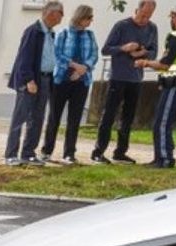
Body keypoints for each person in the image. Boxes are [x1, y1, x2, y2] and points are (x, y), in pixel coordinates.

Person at [90, 0, 158, 164]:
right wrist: (124, 48)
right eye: (143, 15)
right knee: (109, 115)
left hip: (136, 79)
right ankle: (98, 151)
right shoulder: (122, 26)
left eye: (148, 16)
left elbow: (154, 52)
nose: (144, 19)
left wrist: (143, 53)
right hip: (118, 77)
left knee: (128, 117)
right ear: (137, 10)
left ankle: (120, 152)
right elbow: (106, 49)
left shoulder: (152, 28)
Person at [4, 1, 64, 167]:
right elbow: (24, 58)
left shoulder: (51, 34)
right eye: (61, 14)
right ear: (51, 14)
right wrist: (29, 80)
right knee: (20, 118)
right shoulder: (33, 31)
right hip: (30, 81)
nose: (61, 18)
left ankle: (28, 153)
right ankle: (10, 154)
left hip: (45, 79)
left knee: (37, 118)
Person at [136, 4, 176, 168]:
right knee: (166, 122)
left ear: (174, 17)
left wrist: (145, 62)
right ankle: (162, 157)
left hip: (174, 83)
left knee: (161, 123)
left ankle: (164, 159)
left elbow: (165, 64)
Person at [42, 4, 99, 164]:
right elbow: (57, 54)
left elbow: (94, 55)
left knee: (74, 119)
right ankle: (47, 150)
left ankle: (69, 153)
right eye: (89, 18)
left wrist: (84, 68)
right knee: (54, 117)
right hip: (61, 80)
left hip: (82, 82)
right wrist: (74, 65)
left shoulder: (90, 35)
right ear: (80, 18)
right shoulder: (63, 34)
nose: (91, 21)